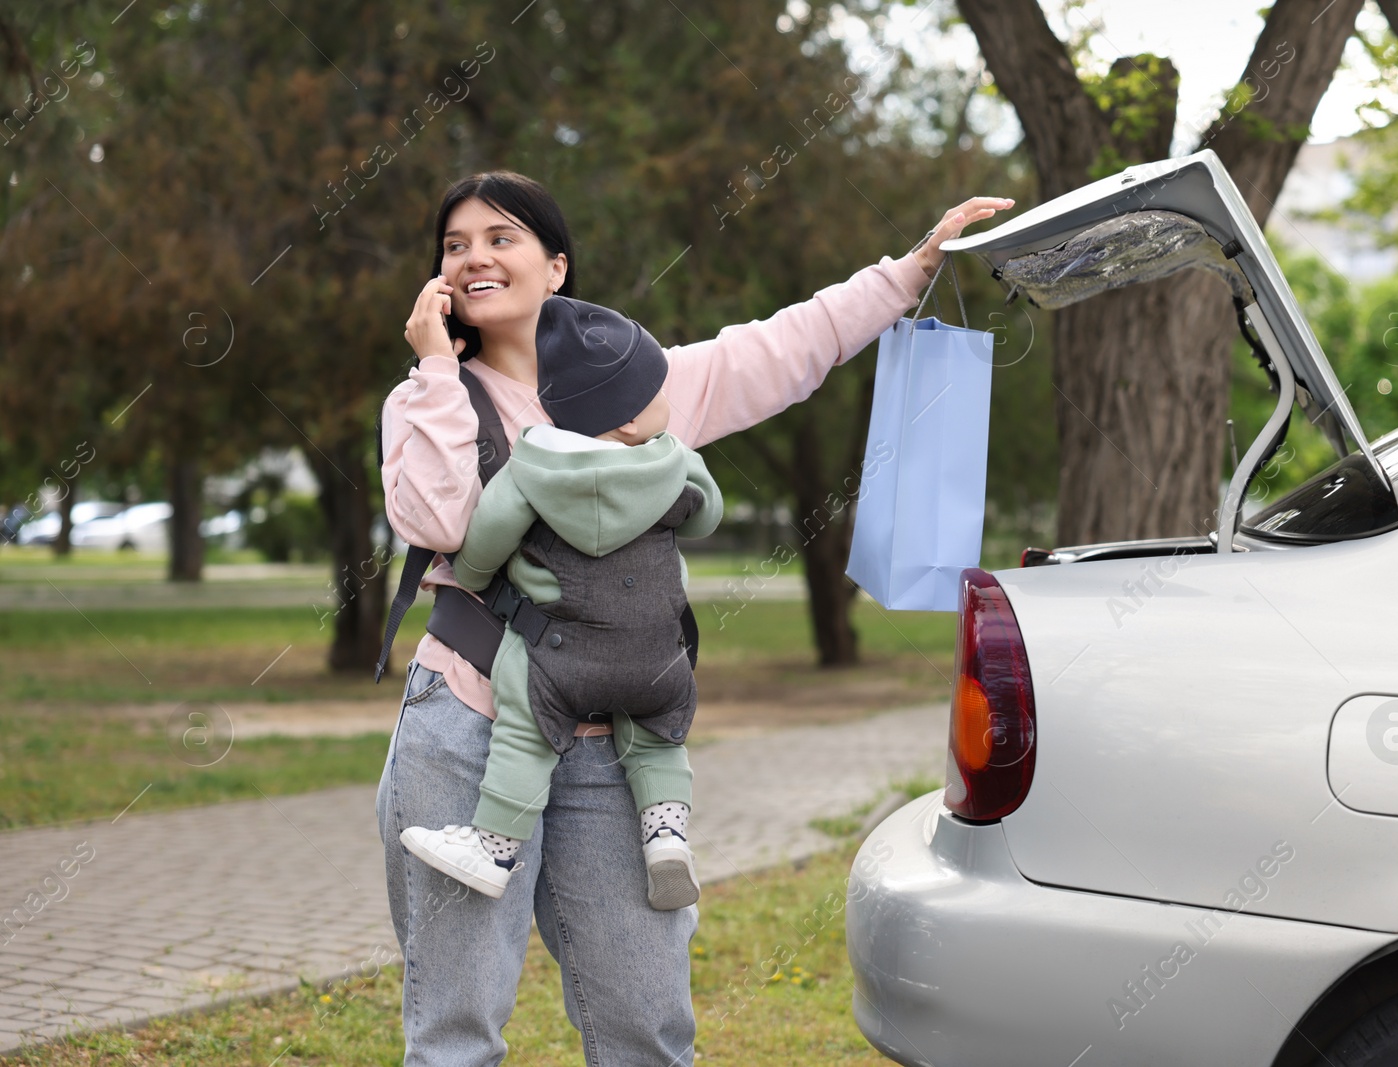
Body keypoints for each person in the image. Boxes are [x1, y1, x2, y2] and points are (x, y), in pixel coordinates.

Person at [377, 168, 1013, 1065]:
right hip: (468, 732)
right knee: (456, 1029)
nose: (475, 255)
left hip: (614, 744)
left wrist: (908, 272)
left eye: (500, 236)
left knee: (646, 1021)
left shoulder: (642, 388)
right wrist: (439, 365)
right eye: (455, 244)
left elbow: (782, 347)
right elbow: (436, 522)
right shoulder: (425, 397)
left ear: (556, 267)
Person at [399, 294, 722, 911]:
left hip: (560, 658)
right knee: (656, 741)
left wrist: (469, 572)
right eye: (658, 390)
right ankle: (667, 836)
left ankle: (494, 848)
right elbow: (708, 515)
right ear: (630, 421)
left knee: (524, 734)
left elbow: (488, 537)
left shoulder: (531, 465)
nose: (668, 400)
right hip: (656, 655)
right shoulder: (676, 460)